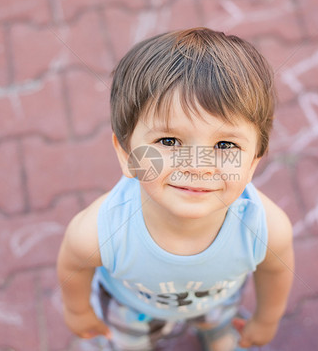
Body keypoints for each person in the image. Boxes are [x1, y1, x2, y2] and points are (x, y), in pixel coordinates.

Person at [57, 27, 294, 351]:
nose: (197, 166)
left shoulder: (266, 226)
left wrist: (266, 319)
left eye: (225, 144)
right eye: (168, 141)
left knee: (219, 321)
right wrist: (78, 310)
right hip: (132, 311)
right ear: (126, 155)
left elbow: (276, 272)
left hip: (217, 302)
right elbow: (73, 265)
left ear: (252, 162)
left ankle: (214, 331)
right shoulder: (100, 230)